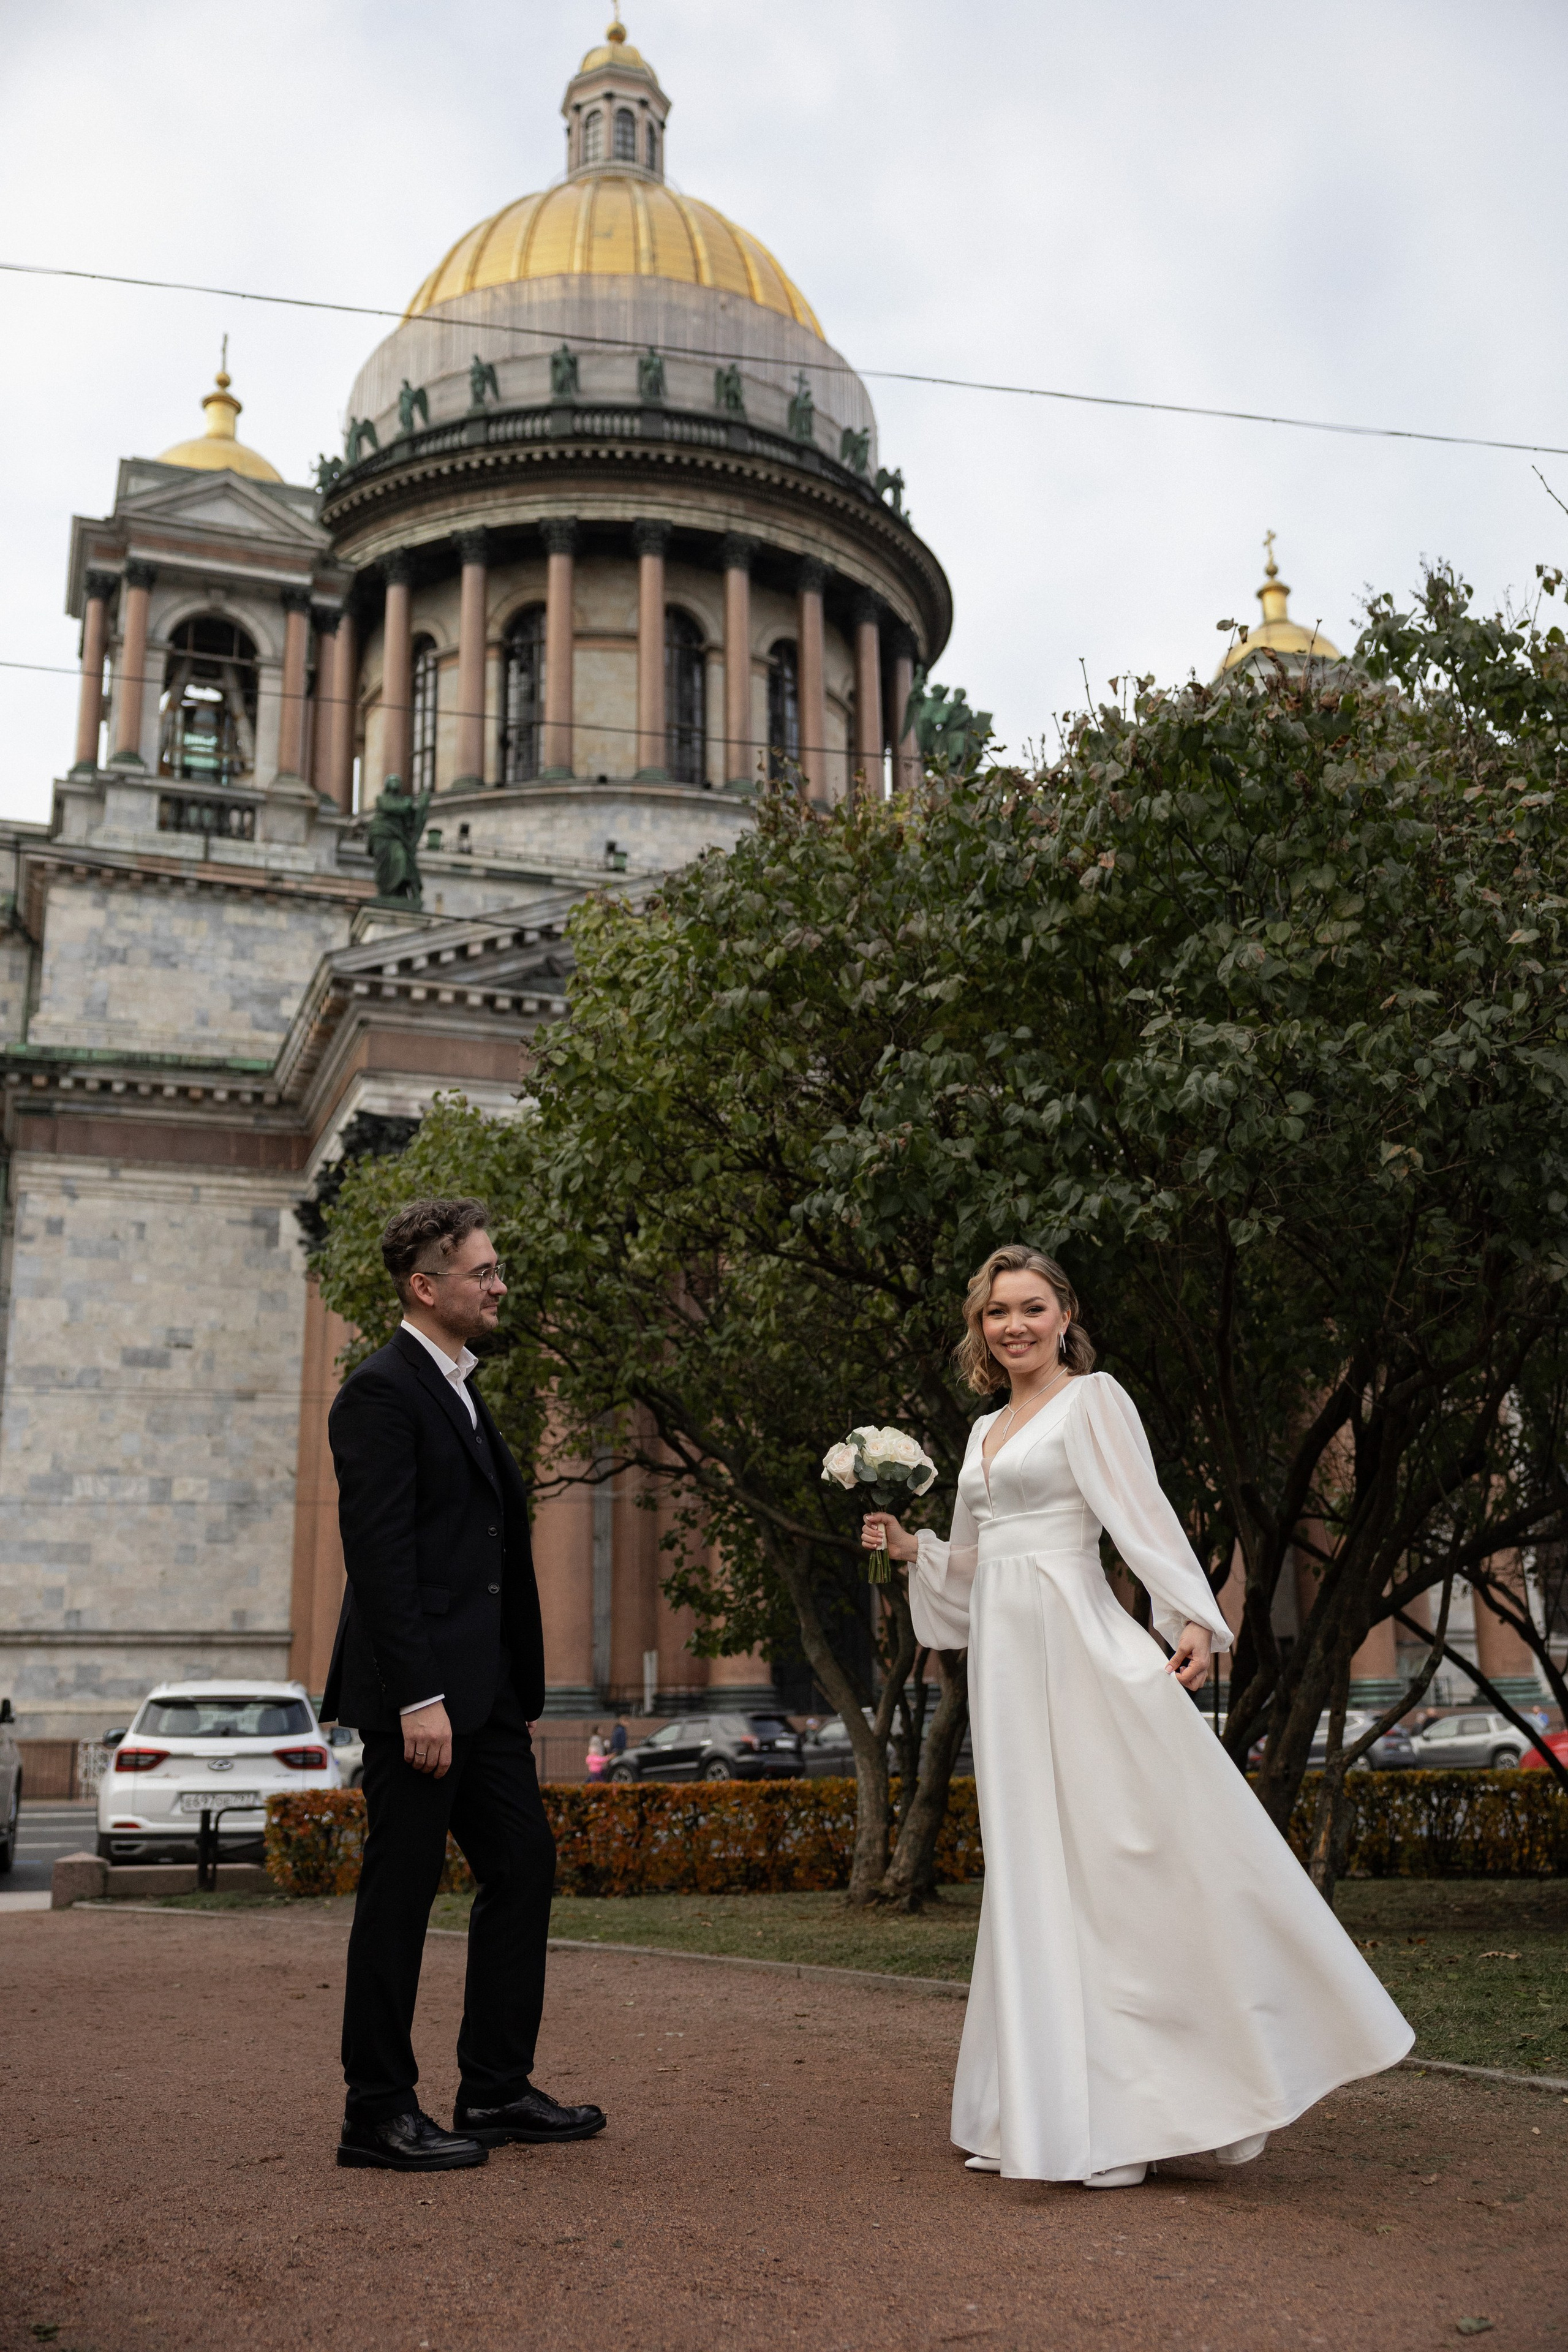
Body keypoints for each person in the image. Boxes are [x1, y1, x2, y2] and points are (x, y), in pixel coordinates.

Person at [862, 1244, 1411, 2190]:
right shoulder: (983, 1429)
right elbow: (985, 1558)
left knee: (1117, 1864)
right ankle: (1041, 2115)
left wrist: (1192, 1614)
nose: (1014, 1326)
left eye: (1031, 1308)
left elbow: (1140, 1516)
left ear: (1064, 1314)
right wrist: (914, 1548)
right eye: (997, 1312)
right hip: (1007, 1670)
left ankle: (1128, 2121)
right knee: (1034, 1873)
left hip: (1080, 1650)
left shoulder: (1094, 1401)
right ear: (980, 1327)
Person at [323, 1196, 607, 2172]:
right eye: (483, 1272)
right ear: (425, 1286)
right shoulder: (379, 1393)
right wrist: (418, 1699)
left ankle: (493, 2087)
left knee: (523, 1866)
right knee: (399, 1896)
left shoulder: (461, 1388)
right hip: (421, 1703)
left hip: (482, 1700)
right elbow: (382, 1561)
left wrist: (502, 1693)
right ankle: (376, 2111)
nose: (499, 1285)